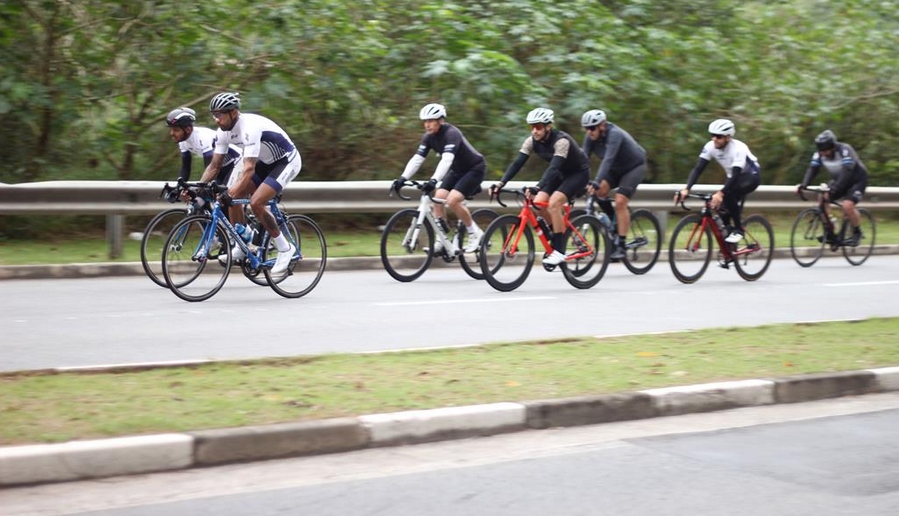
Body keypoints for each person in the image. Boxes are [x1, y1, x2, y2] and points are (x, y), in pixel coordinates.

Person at [198, 92, 302, 276]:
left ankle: (285, 249)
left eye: (220, 114)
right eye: (214, 114)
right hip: (266, 163)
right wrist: (197, 189)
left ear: (234, 112)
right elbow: (214, 166)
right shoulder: (223, 132)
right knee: (234, 195)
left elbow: (248, 170)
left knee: (255, 202)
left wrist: (229, 193)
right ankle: (242, 243)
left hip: (286, 161)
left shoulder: (249, 127)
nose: (216, 119)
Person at [490, 107, 590, 266]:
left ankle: (558, 250)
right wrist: (501, 183)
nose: (534, 131)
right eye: (532, 127)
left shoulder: (562, 141)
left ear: (548, 126)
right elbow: (518, 163)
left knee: (554, 203)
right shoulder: (531, 141)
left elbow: (554, 167)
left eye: (538, 127)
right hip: (560, 173)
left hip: (577, 174)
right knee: (537, 203)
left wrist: (538, 186)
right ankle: (558, 235)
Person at [392, 103, 487, 254]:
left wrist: (434, 180)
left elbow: (446, 160)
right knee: (438, 198)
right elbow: (417, 159)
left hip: (474, 168)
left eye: (431, 121)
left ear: (441, 121)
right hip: (457, 170)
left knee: (453, 200)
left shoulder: (451, 133)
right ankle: (442, 242)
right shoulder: (428, 137)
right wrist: (402, 178)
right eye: (425, 121)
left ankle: (475, 234)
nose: (427, 125)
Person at [676, 119, 760, 244]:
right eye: (712, 135)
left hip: (750, 177)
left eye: (719, 136)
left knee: (727, 194)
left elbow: (736, 174)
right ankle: (729, 244)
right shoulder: (710, 146)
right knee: (721, 208)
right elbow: (698, 169)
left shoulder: (738, 148)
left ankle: (738, 230)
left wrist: (721, 193)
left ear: (728, 137)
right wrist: (687, 188)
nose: (714, 139)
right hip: (733, 178)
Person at [581, 109, 647, 260]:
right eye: (586, 128)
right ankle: (613, 220)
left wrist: (597, 180)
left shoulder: (614, 134)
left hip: (634, 167)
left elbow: (608, 159)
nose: (589, 132)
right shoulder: (590, 138)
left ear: (602, 125)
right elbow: (583, 160)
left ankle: (622, 245)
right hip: (616, 169)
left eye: (592, 128)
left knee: (620, 201)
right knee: (598, 192)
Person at [797, 129, 869, 246]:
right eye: (821, 151)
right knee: (822, 198)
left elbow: (847, 170)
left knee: (847, 206)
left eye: (826, 150)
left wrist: (836, 187)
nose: (823, 153)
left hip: (857, 180)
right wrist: (804, 185)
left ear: (833, 147)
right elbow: (812, 169)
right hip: (840, 180)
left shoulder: (845, 150)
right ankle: (830, 231)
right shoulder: (819, 154)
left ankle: (857, 232)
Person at [165, 107, 243, 186]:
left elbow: (210, 168)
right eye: (171, 130)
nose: (172, 133)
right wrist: (179, 186)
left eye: (176, 130)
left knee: (224, 193)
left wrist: (202, 186)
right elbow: (186, 167)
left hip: (234, 162)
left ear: (188, 129)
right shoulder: (183, 141)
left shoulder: (202, 137)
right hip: (219, 166)